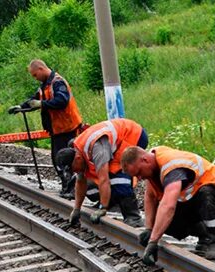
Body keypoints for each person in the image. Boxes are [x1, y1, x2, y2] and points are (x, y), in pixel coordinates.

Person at [119, 145, 215, 264]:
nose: (139, 178)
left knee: (205, 195)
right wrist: (149, 229)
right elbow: (150, 197)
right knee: (164, 223)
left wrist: (153, 241)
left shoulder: (171, 166)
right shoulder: (152, 166)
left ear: (145, 160)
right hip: (193, 197)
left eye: (139, 172)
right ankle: (205, 235)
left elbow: (168, 205)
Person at [8, 59, 83, 198]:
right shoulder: (45, 85)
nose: (35, 78)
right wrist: (21, 106)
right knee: (57, 160)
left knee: (66, 160)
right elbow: (35, 99)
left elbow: (62, 101)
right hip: (57, 129)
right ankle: (67, 187)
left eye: (35, 75)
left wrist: (41, 104)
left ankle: (72, 189)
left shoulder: (57, 82)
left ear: (41, 69)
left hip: (68, 128)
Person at [55, 118, 148, 229]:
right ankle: (114, 203)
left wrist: (103, 208)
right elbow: (80, 182)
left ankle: (133, 218)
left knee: (118, 177)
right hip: (115, 143)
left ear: (77, 159)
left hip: (133, 135)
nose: (75, 172)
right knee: (90, 185)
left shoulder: (97, 149)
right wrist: (76, 209)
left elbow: (104, 179)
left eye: (73, 169)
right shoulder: (79, 151)